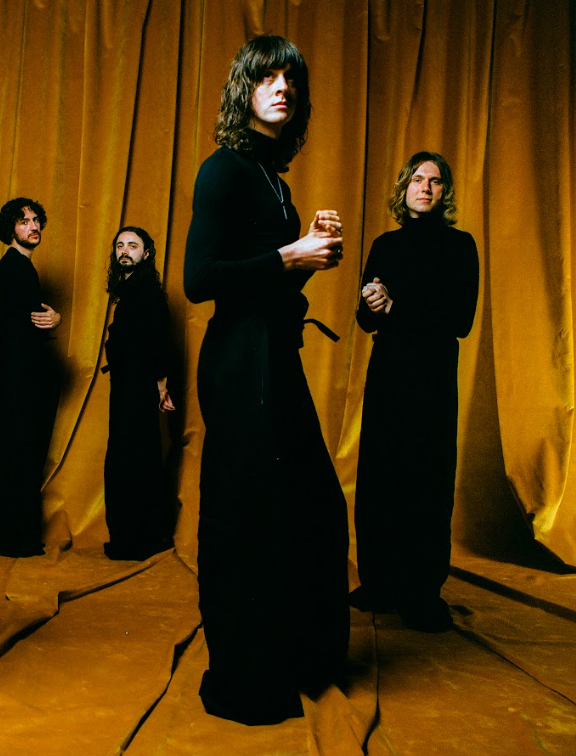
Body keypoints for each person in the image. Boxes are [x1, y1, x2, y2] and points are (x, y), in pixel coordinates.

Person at [183, 35, 350, 726]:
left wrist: (309, 255)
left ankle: (297, 658)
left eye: (290, 79)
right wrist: (290, 254)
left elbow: (268, 279)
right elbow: (199, 280)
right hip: (238, 361)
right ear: (244, 91)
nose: (281, 87)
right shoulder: (223, 169)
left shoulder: (273, 180)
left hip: (274, 356)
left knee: (306, 510)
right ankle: (244, 681)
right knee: (246, 518)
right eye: (266, 77)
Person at [350, 152, 479, 632]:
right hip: (388, 373)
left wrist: (395, 307)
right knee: (379, 476)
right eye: (418, 179)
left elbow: (460, 320)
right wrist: (372, 303)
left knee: (427, 480)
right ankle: (379, 583)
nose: (425, 187)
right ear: (404, 187)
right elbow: (365, 321)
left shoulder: (460, 246)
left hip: (432, 377)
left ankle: (422, 594)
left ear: (445, 192)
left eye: (435, 181)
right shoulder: (384, 245)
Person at [0, 198, 62, 557]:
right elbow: (35, 320)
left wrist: (52, 320)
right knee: (18, 450)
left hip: (17, 367)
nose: (33, 226)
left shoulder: (19, 266)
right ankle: (14, 539)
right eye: (23, 221)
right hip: (16, 368)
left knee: (15, 450)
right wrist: (54, 320)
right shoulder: (15, 266)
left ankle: (9, 538)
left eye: (35, 220)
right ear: (10, 229)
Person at [102, 226, 176, 561]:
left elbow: (159, 342)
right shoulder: (131, 290)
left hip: (137, 387)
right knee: (132, 458)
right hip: (127, 386)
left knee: (130, 460)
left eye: (132, 245)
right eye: (120, 245)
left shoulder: (147, 293)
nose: (124, 250)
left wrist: (161, 385)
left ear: (146, 254)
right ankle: (137, 538)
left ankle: (134, 540)